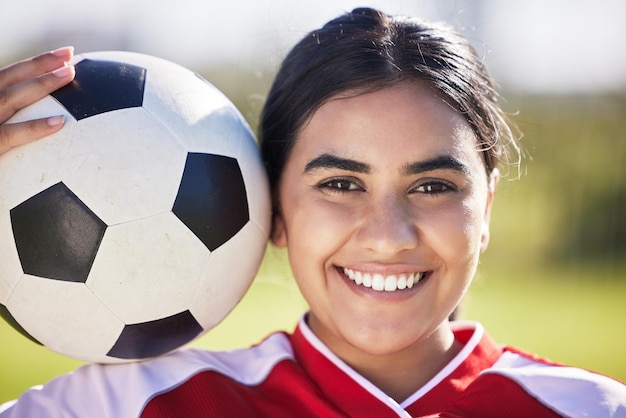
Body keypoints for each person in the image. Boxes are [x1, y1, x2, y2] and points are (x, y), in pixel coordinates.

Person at [1, 7, 625, 418]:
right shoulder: (127, 406)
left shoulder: (595, 410)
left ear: (485, 205)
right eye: (341, 183)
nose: (387, 237)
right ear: (271, 207)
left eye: (433, 185)